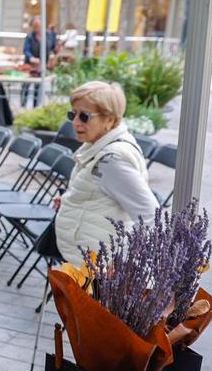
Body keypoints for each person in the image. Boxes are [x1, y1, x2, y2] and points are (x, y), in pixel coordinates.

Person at [53, 81, 159, 262]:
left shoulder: (113, 159)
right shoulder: (95, 146)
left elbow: (150, 215)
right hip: (84, 262)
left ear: (109, 119)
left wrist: (130, 268)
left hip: (101, 271)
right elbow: (99, 194)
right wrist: (72, 201)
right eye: (73, 114)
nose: (75, 122)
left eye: (84, 116)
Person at [21, 16, 57, 107]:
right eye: (35, 26)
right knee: (26, 86)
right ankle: (23, 105)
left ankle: (35, 106)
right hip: (30, 66)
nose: (37, 28)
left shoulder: (49, 35)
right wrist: (31, 58)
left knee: (38, 87)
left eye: (38, 25)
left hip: (43, 65)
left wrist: (57, 49)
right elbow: (26, 50)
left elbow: (54, 48)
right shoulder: (30, 37)